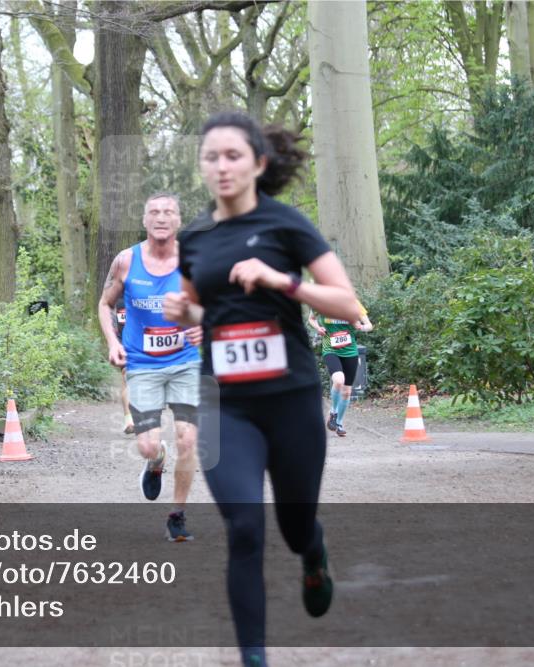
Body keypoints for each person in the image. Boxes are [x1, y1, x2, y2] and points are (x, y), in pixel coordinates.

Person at [163, 111, 362, 667]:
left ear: (258, 163)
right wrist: (186, 308)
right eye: (211, 157)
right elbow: (199, 306)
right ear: (201, 166)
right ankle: (254, 658)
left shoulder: (286, 225)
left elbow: (347, 302)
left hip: (292, 399)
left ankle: (313, 552)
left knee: (295, 528)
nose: (222, 166)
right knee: (244, 527)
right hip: (228, 404)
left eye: (233, 156)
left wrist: (282, 280)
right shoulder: (193, 238)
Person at [98, 193, 203, 541]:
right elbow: (104, 304)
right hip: (142, 364)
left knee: (188, 439)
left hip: (186, 362)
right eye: (154, 212)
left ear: (177, 221)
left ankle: (177, 513)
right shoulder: (126, 262)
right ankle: (156, 461)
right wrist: (114, 342)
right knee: (146, 445)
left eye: (168, 212)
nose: (161, 217)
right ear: (144, 220)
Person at [309, 304, 373, 436]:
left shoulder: (353, 304)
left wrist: (361, 327)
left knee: (347, 392)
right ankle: (333, 411)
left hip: (350, 352)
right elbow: (311, 319)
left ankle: (339, 423)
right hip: (330, 349)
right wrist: (318, 328)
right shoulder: (322, 302)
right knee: (338, 380)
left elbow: (369, 326)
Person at [114, 299, 134, 434]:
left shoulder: (119, 301)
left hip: (126, 342)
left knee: (127, 380)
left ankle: (129, 419)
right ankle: (130, 420)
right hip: (129, 343)